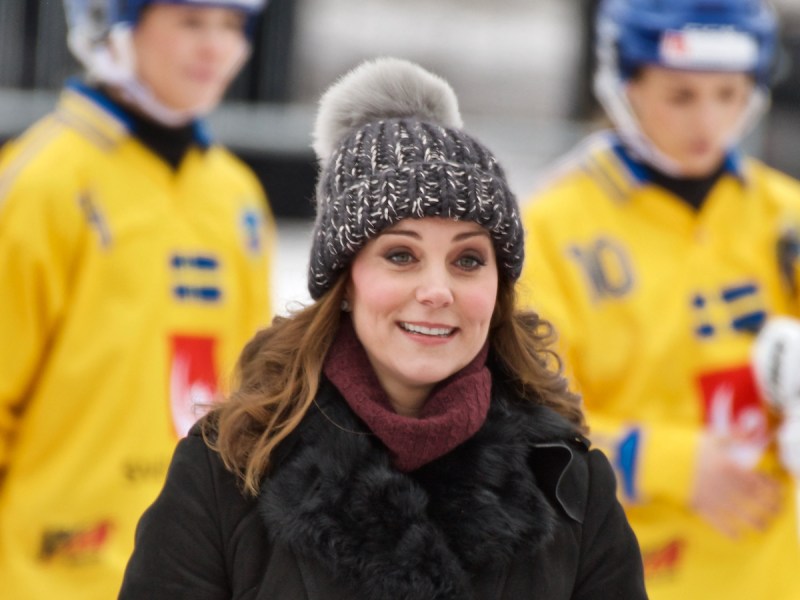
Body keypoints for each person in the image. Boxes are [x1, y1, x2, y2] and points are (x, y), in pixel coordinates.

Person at [118, 57, 647, 599]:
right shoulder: (230, 468)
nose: (437, 290)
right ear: (345, 281)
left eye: (467, 260)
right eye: (401, 255)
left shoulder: (567, 481)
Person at [518, 0, 800, 598]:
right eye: (680, 96)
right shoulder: (552, 227)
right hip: (624, 571)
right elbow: (524, 424)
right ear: (624, 84)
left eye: (730, 95)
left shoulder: (785, 212)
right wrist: (661, 462)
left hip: (772, 573)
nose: (709, 122)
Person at [0, 1, 274, 598]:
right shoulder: (44, 180)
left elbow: (251, 394)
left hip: (192, 568)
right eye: (191, 21)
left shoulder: (238, 195)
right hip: (49, 573)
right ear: (115, 26)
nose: (216, 47)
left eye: (233, 26)